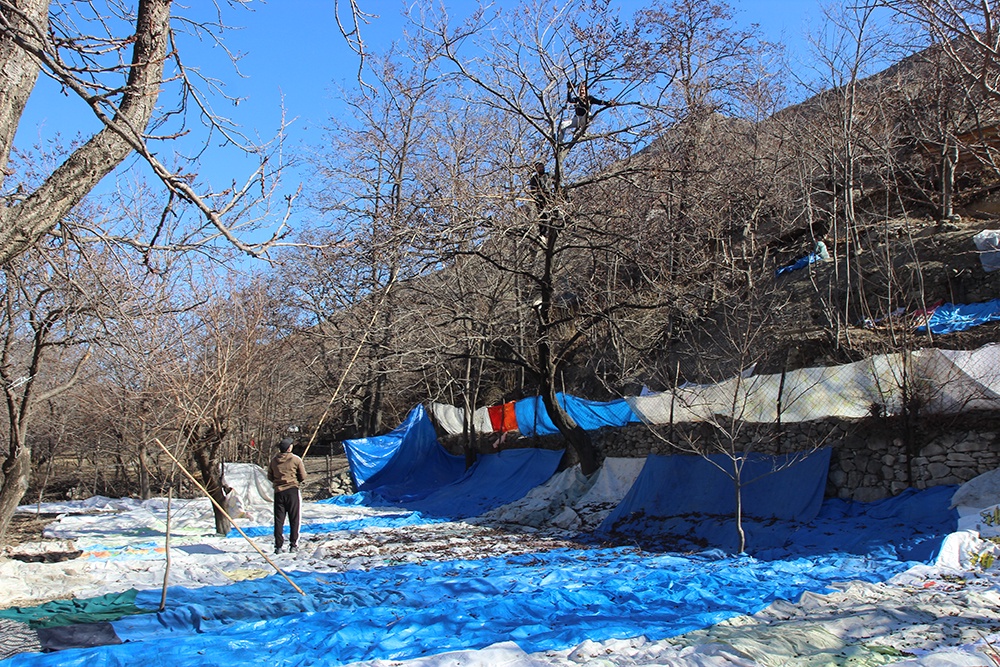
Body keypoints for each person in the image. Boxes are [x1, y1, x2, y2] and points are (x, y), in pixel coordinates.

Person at [267, 437, 306, 554]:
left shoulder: (274, 460)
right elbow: (303, 476)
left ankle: (278, 546)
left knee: (279, 520)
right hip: (292, 491)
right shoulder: (296, 460)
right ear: (289, 447)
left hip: (279, 492)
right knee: (294, 518)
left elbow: (269, 476)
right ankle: (293, 544)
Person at [528, 161, 554, 238]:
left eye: (542, 167)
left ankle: (551, 229)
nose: (541, 168)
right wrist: (537, 198)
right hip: (540, 198)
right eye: (539, 167)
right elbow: (533, 191)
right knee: (542, 215)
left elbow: (557, 180)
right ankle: (543, 232)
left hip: (549, 196)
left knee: (550, 213)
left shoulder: (549, 175)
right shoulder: (534, 179)